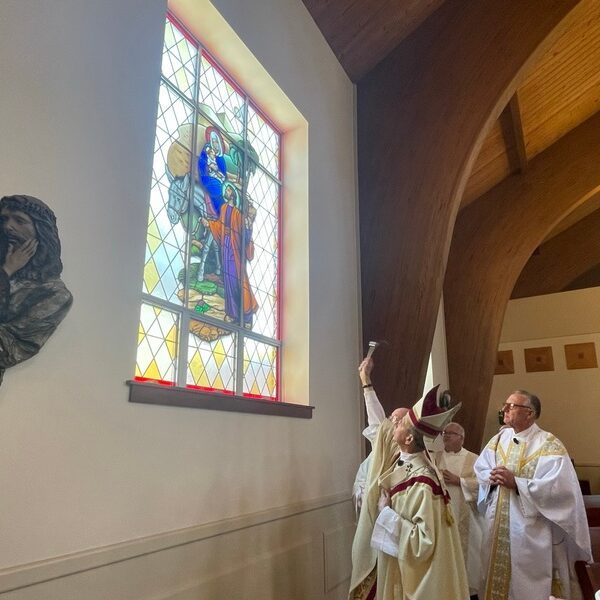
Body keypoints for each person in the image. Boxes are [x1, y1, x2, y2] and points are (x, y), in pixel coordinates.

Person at [349, 373, 469, 599]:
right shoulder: (405, 463)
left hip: (411, 578)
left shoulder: (423, 482)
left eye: (400, 423)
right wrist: (366, 383)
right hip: (396, 566)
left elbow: (423, 543)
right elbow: (378, 426)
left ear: (408, 439)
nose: (392, 424)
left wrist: (386, 513)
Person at [474, 390, 592, 600]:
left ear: (529, 413)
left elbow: (559, 490)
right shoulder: (499, 438)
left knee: (526, 584)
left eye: (511, 406)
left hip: (529, 530)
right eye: (505, 405)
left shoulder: (549, 444)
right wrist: (489, 477)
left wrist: (517, 484)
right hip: (497, 523)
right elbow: (481, 467)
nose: (504, 410)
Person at [0, 195, 73, 385]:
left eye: (19, 220)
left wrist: (6, 273)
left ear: (40, 230)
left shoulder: (54, 294)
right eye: (4, 219)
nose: (8, 227)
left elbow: (9, 349)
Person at [433, 422, 483, 598]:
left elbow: (483, 485)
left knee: (464, 558)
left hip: (465, 518)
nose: (446, 435)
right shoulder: (433, 458)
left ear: (461, 438)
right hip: (437, 516)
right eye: (444, 432)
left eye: (451, 433)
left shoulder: (475, 459)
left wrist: (460, 481)